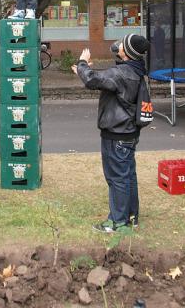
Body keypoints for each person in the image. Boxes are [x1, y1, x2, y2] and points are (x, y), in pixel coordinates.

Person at [72, 33, 150, 233]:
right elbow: (102, 79)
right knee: (128, 176)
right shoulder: (136, 70)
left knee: (117, 179)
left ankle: (117, 222)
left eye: (123, 44)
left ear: (128, 52)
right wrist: (84, 71)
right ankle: (131, 217)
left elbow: (92, 80)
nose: (119, 45)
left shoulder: (121, 73)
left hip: (117, 134)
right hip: (129, 133)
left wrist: (82, 63)